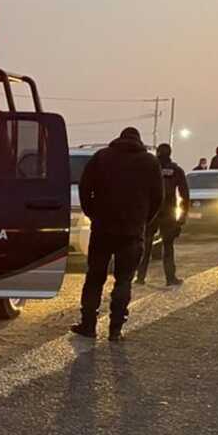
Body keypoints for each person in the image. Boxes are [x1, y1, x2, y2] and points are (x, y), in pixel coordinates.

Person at [72, 127, 164, 342]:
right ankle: (115, 329)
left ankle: (88, 325)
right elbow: (158, 197)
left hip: (102, 228)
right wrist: (143, 220)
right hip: (132, 231)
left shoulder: (101, 157)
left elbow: (85, 189)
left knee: (95, 277)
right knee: (124, 280)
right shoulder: (149, 163)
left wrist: (93, 214)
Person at [138, 143, 190, 286]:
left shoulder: (149, 169)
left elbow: (140, 191)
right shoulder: (176, 170)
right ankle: (170, 278)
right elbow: (185, 195)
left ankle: (140, 277)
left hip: (151, 212)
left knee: (146, 246)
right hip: (168, 212)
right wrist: (182, 217)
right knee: (168, 247)